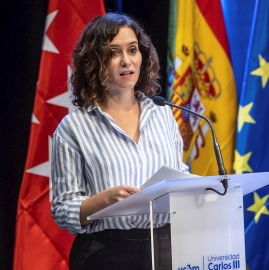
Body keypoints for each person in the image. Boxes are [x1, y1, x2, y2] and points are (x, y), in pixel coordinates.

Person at [51, 12, 188, 270]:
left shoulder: (163, 114)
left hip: (168, 248)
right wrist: (106, 199)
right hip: (106, 253)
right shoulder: (74, 128)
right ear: (94, 62)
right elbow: (62, 209)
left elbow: (178, 175)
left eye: (133, 50)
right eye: (114, 53)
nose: (126, 61)